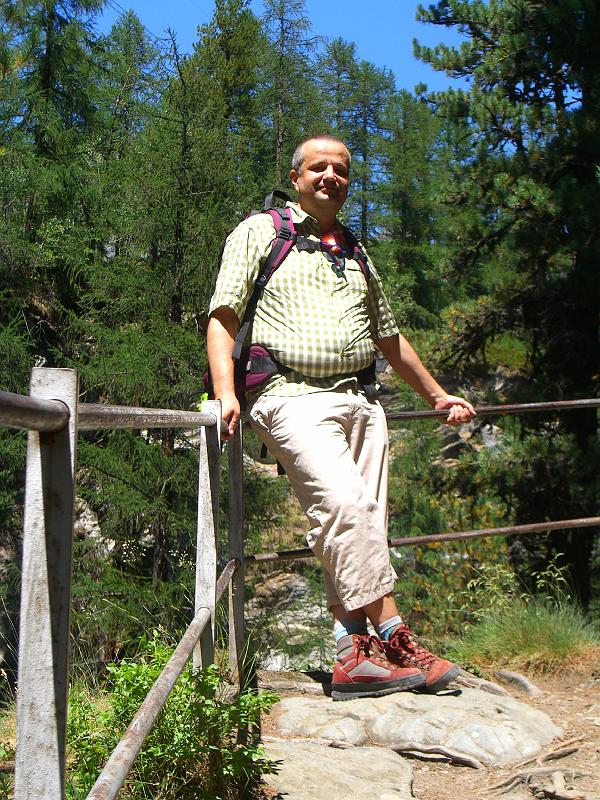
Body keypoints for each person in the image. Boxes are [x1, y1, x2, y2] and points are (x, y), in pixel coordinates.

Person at [207, 134, 476, 701]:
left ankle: (354, 653)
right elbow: (223, 315)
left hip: (361, 401)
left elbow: (388, 336)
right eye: (319, 167)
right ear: (296, 176)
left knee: (362, 524)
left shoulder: (353, 249)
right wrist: (226, 392)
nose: (330, 176)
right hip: (288, 394)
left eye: (341, 169)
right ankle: (396, 637)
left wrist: (436, 396)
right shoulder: (261, 232)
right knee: (346, 508)